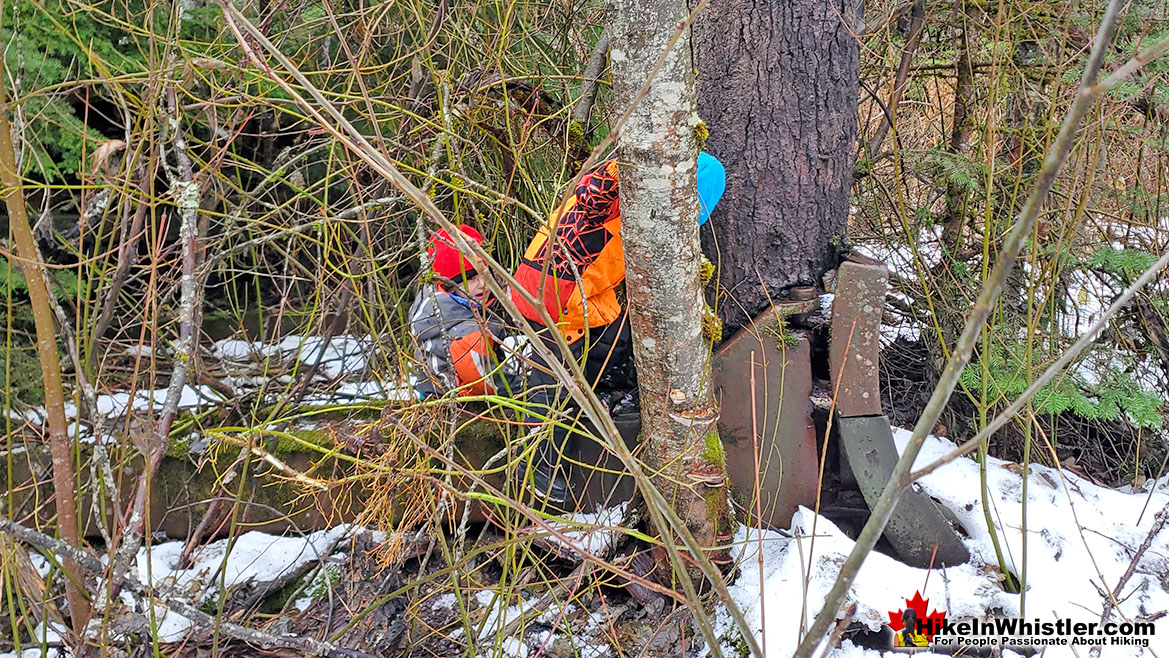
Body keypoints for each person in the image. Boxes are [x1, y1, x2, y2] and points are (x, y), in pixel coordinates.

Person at [509, 152, 726, 503]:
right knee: (553, 381)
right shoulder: (607, 191)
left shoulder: (636, 216)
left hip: (585, 295)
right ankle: (536, 464)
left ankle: (603, 399)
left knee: (611, 344)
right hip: (551, 292)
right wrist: (626, 167)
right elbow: (595, 188)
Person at [409, 226, 507, 399]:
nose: (482, 284)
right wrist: (517, 390)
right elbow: (485, 380)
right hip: (452, 400)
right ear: (450, 284)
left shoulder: (434, 299)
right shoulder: (464, 330)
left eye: (483, 274)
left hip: (434, 391)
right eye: (470, 279)